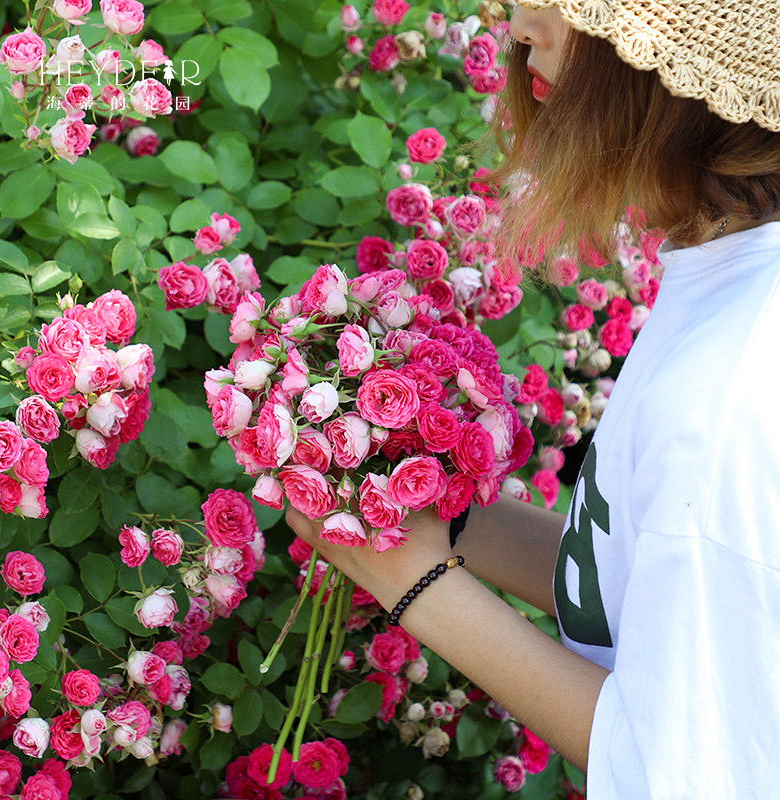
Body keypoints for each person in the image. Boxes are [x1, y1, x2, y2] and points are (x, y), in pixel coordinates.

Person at [287, 2, 780, 796]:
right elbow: (638, 578)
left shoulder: (733, 385)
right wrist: (430, 511)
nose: (521, 24)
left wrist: (408, 579)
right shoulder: (733, 276)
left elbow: (673, 769)